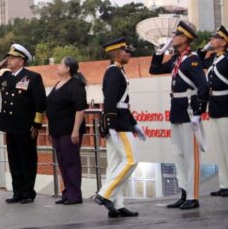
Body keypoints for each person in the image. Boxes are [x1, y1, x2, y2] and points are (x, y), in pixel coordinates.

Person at [149, 21, 209, 209]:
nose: (172, 38)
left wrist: (199, 112)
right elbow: (154, 70)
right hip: (176, 109)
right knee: (179, 154)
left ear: (184, 38)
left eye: (175, 36)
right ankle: (184, 193)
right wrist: (160, 51)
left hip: (189, 109)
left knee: (191, 156)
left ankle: (194, 197)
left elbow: (204, 87)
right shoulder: (176, 59)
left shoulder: (192, 59)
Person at [0, 44, 46, 204]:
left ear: (21, 60)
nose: (9, 61)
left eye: (12, 58)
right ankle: (17, 192)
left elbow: (40, 103)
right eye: (9, 58)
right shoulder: (6, 77)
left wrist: (37, 125)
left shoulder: (32, 77)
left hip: (26, 125)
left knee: (27, 159)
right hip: (9, 124)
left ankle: (27, 192)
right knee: (14, 159)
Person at [93, 38, 143, 218]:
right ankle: (105, 194)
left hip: (122, 120)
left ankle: (117, 204)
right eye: (125, 51)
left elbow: (123, 102)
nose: (128, 54)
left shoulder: (119, 71)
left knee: (114, 165)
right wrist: (112, 126)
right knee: (131, 160)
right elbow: (110, 101)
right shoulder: (113, 72)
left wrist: (135, 124)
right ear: (116, 53)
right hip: (118, 123)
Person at [47, 57, 87, 206]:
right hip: (57, 129)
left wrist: (75, 130)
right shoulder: (58, 84)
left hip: (69, 130)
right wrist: (49, 130)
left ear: (68, 68)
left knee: (71, 162)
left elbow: (80, 109)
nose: (58, 66)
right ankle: (67, 192)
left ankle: (75, 195)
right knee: (62, 162)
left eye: (60, 64)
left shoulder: (76, 85)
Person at [200, 25, 228, 197]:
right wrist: (206, 47)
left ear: (224, 42)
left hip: (226, 104)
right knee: (219, 148)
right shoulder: (212, 59)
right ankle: (224, 184)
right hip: (215, 106)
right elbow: (199, 59)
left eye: (215, 37)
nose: (211, 39)